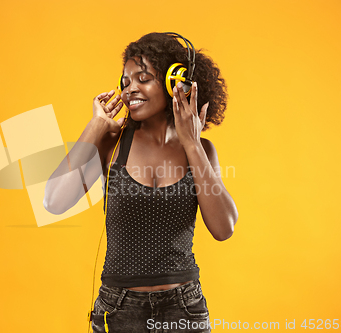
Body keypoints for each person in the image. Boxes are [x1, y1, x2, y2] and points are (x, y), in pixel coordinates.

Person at [44, 32, 238, 333]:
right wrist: (95, 127)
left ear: (176, 84)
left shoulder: (200, 151)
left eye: (143, 78)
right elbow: (54, 201)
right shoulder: (113, 144)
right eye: (125, 82)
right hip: (118, 308)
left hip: (184, 307)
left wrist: (192, 143)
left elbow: (224, 228)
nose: (129, 89)